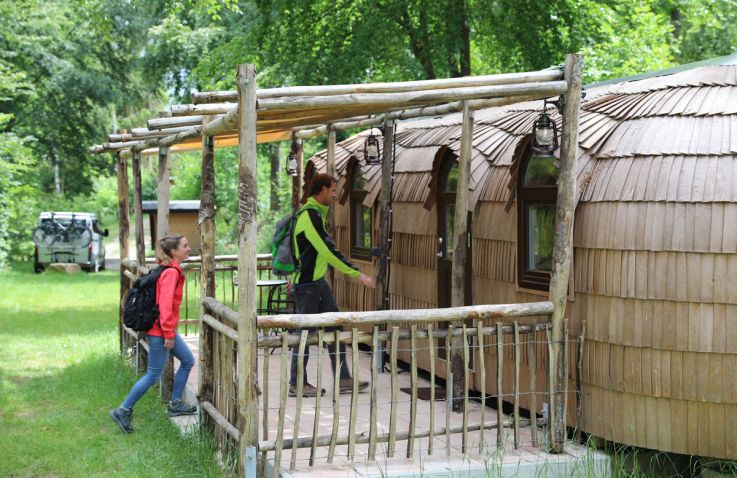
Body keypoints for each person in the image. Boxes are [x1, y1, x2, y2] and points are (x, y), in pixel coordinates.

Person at [290, 173, 376, 397]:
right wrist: (357, 274)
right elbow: (327, 250)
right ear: (323, 190)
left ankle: (344, 379)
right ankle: (297, 383)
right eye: (334, 190)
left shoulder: (314, 213)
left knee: (335, 329)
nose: (336, 195)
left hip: (318, 284)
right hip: (307, 287)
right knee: (304, 335)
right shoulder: (309, 215)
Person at [110, 235, 197, 433]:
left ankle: (175, 403)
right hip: (161, 331)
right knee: (153, 374)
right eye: (185, 246)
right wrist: (168, 333)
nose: (188, 248)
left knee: (187, 360)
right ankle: (123, 410)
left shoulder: (168, 270)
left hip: (164, 330)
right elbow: (165, 306)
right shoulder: (171, 273)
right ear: (174, 251)